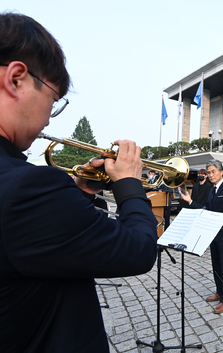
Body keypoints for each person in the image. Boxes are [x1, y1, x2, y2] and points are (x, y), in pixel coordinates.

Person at [0, 13, 158, 352]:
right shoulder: (27, 188)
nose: (47, 118)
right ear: (16, 79)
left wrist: (83, 191)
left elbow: (39, 243)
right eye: (53, 101)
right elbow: (139, 250)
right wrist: (130, 183)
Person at [180, 159, 223, 314]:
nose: (210, 175)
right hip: (213, 234)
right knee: (216, 265)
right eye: (208, 172)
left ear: (221, 172)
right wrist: (190, 201)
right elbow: (206, 209)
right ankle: (219, 291)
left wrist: (216, 218)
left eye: (213, 172)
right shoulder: (212, 190)